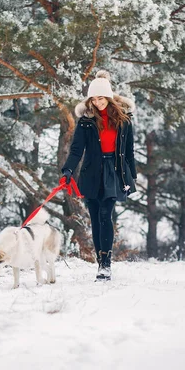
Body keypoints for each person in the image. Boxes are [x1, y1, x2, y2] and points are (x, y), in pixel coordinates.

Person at [61, 70, 137, 281]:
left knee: (106, 215)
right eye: (93, 99)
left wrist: (133, 176)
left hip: (113, 171)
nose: (97, 102)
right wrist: (67, 170)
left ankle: (106, 264)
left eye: (101, 98)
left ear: (109, 98)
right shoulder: (86, 122)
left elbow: (129, 150)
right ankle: (100, 263)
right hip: (91, 172)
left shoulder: (124, 120)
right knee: (95, 219)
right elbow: (76, 150)